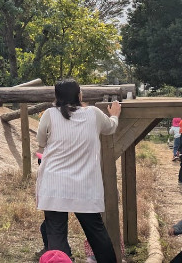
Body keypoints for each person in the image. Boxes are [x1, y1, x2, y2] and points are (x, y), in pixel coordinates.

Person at [36, 78, 121, 262]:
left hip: (55, 184)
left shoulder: (50, 114)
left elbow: (41, 141)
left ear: (56, 97)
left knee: (56, 234)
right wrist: (115, 114)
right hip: (85, 186)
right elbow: (110, 128)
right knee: (96, 233)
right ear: (79, 94)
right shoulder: (93, 114)